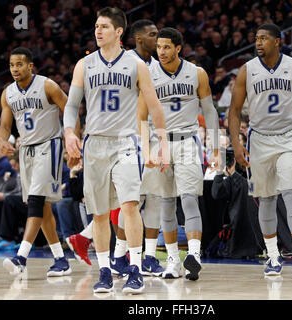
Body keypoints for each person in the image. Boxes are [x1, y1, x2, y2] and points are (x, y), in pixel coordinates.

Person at [63, 7, 169, 294]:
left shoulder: (136, 65)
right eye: (96, 26)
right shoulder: (84, 65)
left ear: (119, 31)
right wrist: (70, 131)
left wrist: (163, 144)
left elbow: (155, 107)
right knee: (98, 213)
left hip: (125, 142)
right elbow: (72, 105)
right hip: (95, 143)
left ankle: (135, 268)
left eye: (104, 27)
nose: (98, 31)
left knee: (130, 205)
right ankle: (105, 272)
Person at [228, 24, 292, 277]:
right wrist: (236, 143)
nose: (258, 43)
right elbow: (234, 110)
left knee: (291, 193)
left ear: (278, 41)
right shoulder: (247, 70)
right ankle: (273, 257)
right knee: (266, 199)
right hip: (259, 140)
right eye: (256, 38)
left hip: (289, 137)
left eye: (264, 38)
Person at [146, 27, 220, 281]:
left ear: (179, 48)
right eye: (158, 47)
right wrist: (146, 148)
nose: (162, 51)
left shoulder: (196, 73)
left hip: (188, 141)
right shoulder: (148, 74)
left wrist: (216, 146)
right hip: (160, 143)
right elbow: (141, 115)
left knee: (189, 200)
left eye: (167, 47)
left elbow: (209, 111)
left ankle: (195, 256)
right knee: (166, 204)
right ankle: (173, 262)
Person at [0, 47, 72, 278]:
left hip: (49, 145)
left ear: (30, 66)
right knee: (42, 206)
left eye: (19, 64)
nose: (15, 69)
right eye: (11, 65)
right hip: (26, 150)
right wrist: (1, 139)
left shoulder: (47, 85)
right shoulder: (8, 93)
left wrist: (72, 137)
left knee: (36, 201)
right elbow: (5, 125)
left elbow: (69, 108)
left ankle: (21, 257)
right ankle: (61, 259)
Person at [110, 19, 165, 277]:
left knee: (154, 197)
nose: (158, 38)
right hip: (130, 138)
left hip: (154, 136)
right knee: (131, 201)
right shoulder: (125, 62)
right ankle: (120, 256)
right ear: (139, 38)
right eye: (153, 35)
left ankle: (150, 257)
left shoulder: (159, 64)